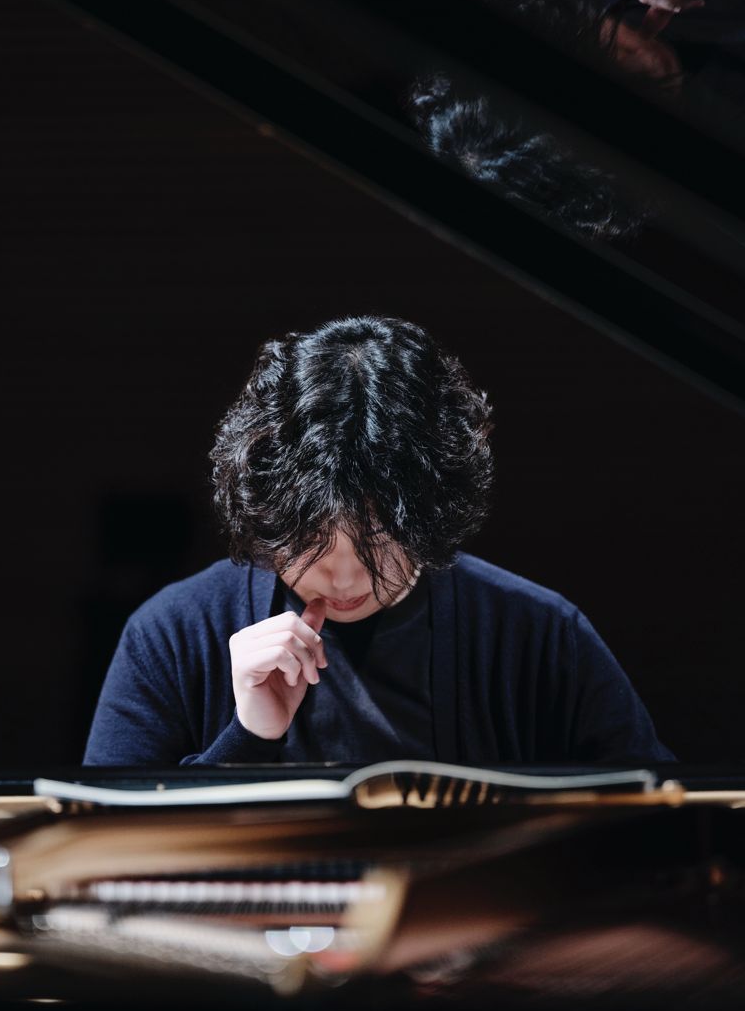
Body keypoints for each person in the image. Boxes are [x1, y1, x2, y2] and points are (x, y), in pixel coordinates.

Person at [82, 316, 670, 768]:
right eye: (310, 542)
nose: (344, 580)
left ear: (434, 514)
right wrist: (249, 737)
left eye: (380, 541)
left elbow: (661, 832)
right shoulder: (171, 634)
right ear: (267, 516)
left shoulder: (540, 634)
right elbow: (97, 858)